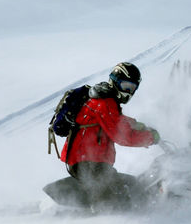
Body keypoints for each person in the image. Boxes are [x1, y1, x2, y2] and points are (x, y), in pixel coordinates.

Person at [44, 62, 161, 211]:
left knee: (131, 185)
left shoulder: (104, 100)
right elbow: (123, 137)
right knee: (121, 200)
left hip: (90, 163)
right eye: (125, 86)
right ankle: (105, 222)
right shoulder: (104, 102)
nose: (128, 92)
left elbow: (115, 120)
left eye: (132, 88)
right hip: (89, 164)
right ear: (115, 81)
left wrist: (137, 125)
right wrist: (151, 137)